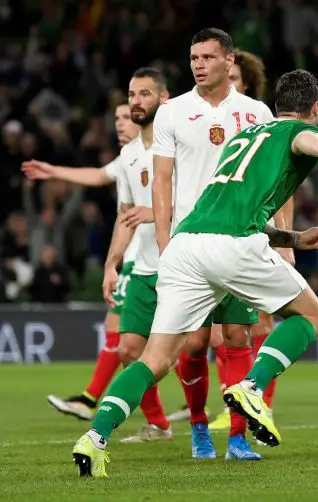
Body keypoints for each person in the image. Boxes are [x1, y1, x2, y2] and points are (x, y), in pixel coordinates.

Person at [72, 68, 318, 477]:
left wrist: (294, 238)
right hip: (232, 246)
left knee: (155, 359)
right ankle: (252, 387)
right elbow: (304, 138)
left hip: (186, 245)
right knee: (312, 315)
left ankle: (94, 437)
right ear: (316, 108)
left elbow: (234, 207)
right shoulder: (299, 131)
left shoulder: (244, 136)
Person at [150, 28, 280, 459]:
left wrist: (277, 235)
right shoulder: (172, 112)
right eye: (193, 58)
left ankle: (238, 438)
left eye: (207, 57)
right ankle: (199, 426)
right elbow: (162, 181)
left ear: (229, 60)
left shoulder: (256, 112)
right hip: (189, 244)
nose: (198, 65)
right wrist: (164, 240)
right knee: (193, 343)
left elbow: (271, 179)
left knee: (238, 335)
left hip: (238, 241)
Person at [22, 104, 143, 420]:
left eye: (126, 117)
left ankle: (182, 414)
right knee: (126, 342)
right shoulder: (128, 157)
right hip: (134, 259)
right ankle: (94, 400)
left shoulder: (160, 153)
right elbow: (98, 175)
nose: (119, 124)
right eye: (116, 118)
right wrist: (53, 171)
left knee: (155, 345)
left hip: (153, 261)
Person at [101, 67, 175, 443]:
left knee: (204, 345)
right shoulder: (128, 156)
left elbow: (200, 199)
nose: (136, 101)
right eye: (132, 94)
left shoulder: (179, 143)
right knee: (129, 349)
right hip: (145, 266)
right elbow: (126, 216)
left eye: (145, 94)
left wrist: (159, 212)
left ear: (164, 99)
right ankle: (160, 424)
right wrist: (111, 264)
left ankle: (208, 425)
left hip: (182, 262)